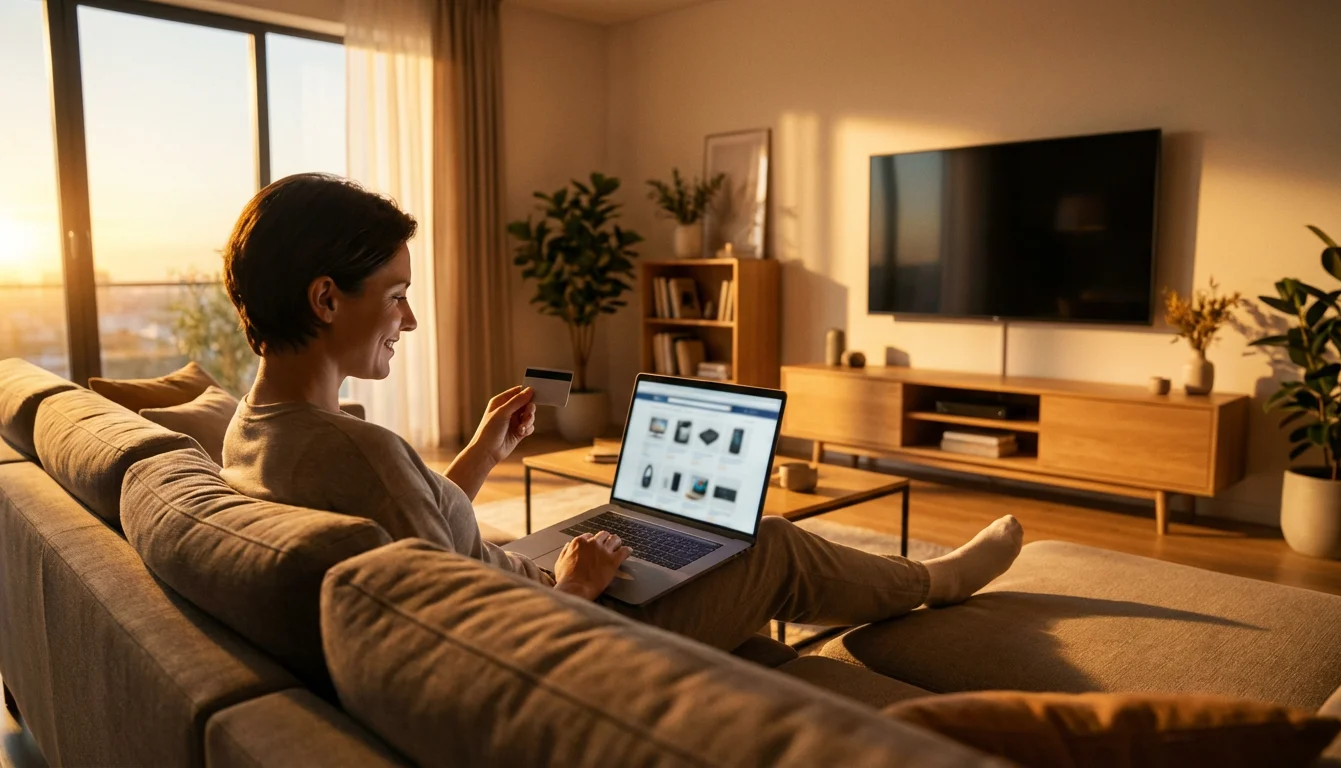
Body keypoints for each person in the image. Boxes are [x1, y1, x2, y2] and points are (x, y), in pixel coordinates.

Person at [220, 173, 1024, 652]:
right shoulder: (360, 452)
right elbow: (473, 647)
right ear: (327, 298)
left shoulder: (252, 433)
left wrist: (480, 455)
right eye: (397, 295)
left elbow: (412, 535)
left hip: (531, 584)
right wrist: (577, 587)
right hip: (561, 626)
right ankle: (934, 581)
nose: (412, 319)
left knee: (674, 545)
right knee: (772, 545)